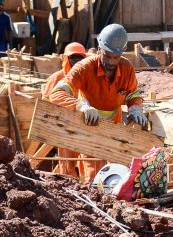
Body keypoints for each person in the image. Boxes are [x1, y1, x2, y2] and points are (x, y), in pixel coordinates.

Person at [49, 24, 148, 183]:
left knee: (118, 173)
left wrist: (136, 108)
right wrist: (81, 106)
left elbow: (133, 94)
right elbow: (57, 93)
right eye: (107, 55)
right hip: (89, 125)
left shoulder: (126, 68)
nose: (111, 61)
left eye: (115, 57)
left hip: (113, 129)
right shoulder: (84, 68)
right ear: (99, 48)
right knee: (94, 174)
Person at [42, 42, 88, 178]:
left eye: (80, 58)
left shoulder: (87, 77)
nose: (76, 61)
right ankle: (69, 185)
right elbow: (45, 104)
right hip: (64, 127)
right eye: (73, 58)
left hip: (84, 128)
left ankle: (87, 186)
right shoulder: (56, 78)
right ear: (66, 59)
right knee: (67, 164)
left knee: (86, 161)